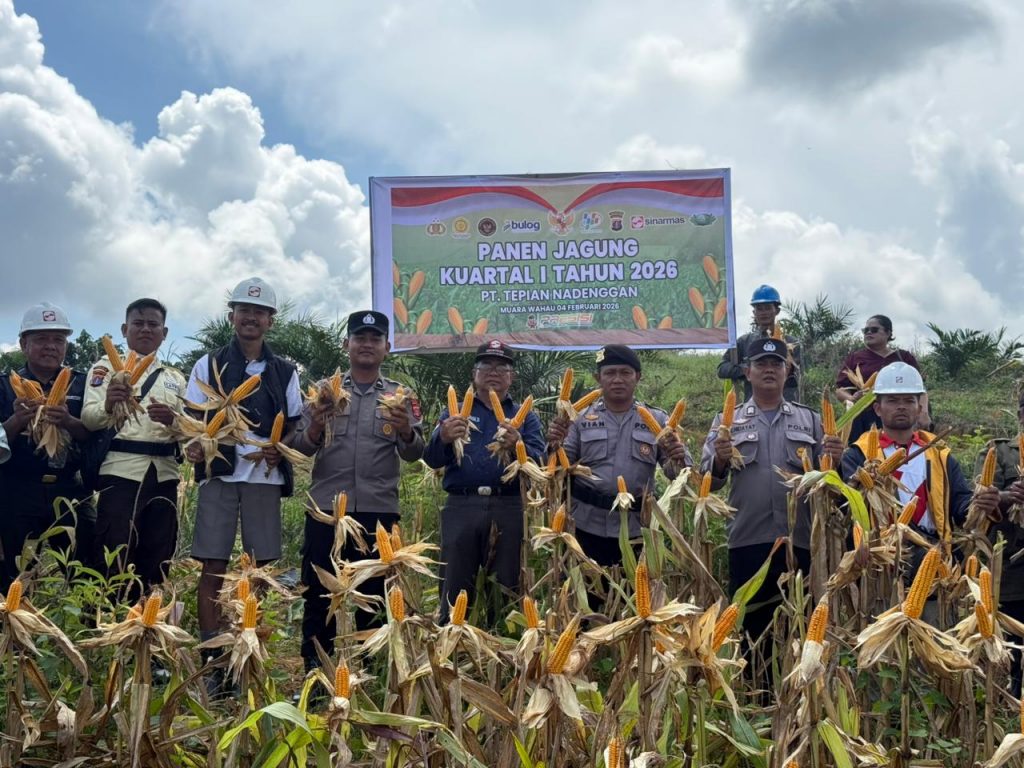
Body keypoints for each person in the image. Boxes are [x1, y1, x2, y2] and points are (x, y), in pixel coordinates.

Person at [292, 310, 424, 669]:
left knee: (376, 597)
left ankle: (373, 675)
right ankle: (317, 677)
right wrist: (317, 427)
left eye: (375, 339)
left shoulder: (401, 396)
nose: (367, 344)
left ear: (387, 347)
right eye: (360, 338)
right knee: (319, 595)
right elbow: (301, 448)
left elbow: (414, 454)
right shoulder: (323, 392)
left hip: (378, 514)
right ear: (346, 344)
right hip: (326, 511)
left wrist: (405, 431)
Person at [184, 277, 303, 655]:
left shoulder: (285, 371)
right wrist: (195, 445)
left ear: (271, 320)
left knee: (261, 569)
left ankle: (250, 647)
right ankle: (212, 653)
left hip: (263, 478)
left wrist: (279, 449)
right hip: (219, 476)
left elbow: (295, 425)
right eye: (245, 310)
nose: (251, 318)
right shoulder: (208, 363)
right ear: (232, 316)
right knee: (213, 567)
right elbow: (191, 419)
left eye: (260, 312)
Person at [702, 338, 844, 645]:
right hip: (748, 541)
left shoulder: (810, 420)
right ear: (747, 372)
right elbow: (707, 482)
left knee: (802, 629)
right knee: (752, 633)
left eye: (776, 364)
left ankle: (797, 693)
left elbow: (832, 485)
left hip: (802, 541)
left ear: (787, 371)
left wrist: (838, 459)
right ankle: (758, 692)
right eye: (761, 364)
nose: (769, 370)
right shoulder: (727, 421)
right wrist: (720, 460)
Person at [841, 363, 997, 616]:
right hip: (881, 566)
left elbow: (959, 505)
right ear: (877, 408)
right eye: (892, 400)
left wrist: (979, 505)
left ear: (919, 407)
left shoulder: (940, 455)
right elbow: (848, 508)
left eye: (908, 400)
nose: (901, 406)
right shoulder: (857, 454)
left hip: (933, 559)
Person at [423, 340, 545, 624]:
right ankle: (450, 650)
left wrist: (519, 446)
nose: (494, 372)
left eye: (502, 367)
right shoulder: (452, 413)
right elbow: (432, 459)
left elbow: (540, 464)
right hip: (462, 506)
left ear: (511, 377)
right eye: (486, 365)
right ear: (474, 373)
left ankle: (503, 648)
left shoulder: (526, 417)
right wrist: (442, 437)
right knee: (454, 583)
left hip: (510, 506)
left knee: (506, 584)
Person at [80, 298, 186, 603]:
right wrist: (110, 404)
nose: (145, 329)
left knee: (158, 551)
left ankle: (146, 629)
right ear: (125, 329)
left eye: (153, 324)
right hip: (121, 470)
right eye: (138, 323)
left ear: (164, 333)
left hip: (165, 474)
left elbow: (191, 428)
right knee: (114, 549)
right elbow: (89, 418)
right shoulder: (104, 368)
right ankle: (108, 623)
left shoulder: (174, 378)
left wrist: (175, 421)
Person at [547, 344, 690, 567]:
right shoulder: (580, 418)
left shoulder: (659, 420)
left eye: (625, 373)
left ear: (638, 377)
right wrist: (555, 443)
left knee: (635, 598)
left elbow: (678, 475)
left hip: (636, 528)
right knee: (587, 596)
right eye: (610, 373)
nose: (617, 379)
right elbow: (559, 469)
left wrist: (678, 458)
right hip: (585, 525)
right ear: (598, 378)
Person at [0, 303, 92, 587]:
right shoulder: (4, 385)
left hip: (70, 489)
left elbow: (97, 436)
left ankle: (87, 627)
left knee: (85, 569)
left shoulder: (83, 384)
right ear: (24, 344)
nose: (51, 346)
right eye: (41, 339)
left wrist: (69, 422)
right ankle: (13, 627)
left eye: (58, 340)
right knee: (14, 576)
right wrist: (16, 420)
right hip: (18, 490)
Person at [974, 391, 1024, 695]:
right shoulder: (1000, 452)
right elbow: (978, 502)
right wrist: (1009, 498)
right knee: (1014, 649)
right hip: (1012, 574)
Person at [835, 314, 930, 442]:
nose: (868, 333)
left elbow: (920, 389)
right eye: (865, 330)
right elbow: (840, 390)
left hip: (899, 415)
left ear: (888, 333)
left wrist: (923, 412)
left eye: (874, 330)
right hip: (862, 416)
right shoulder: (856, 357)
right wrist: (851, 399)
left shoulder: (904, 357)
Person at [717, 285, 802, 403]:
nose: (763, 313)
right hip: (754, 408)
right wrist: (745, 370)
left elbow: (798, 374)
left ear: (777, 310)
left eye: (767, 308)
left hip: (786, 405)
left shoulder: (792, 343)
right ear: (754, 312)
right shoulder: (744, 342)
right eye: (759, 309)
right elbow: (722, 369)